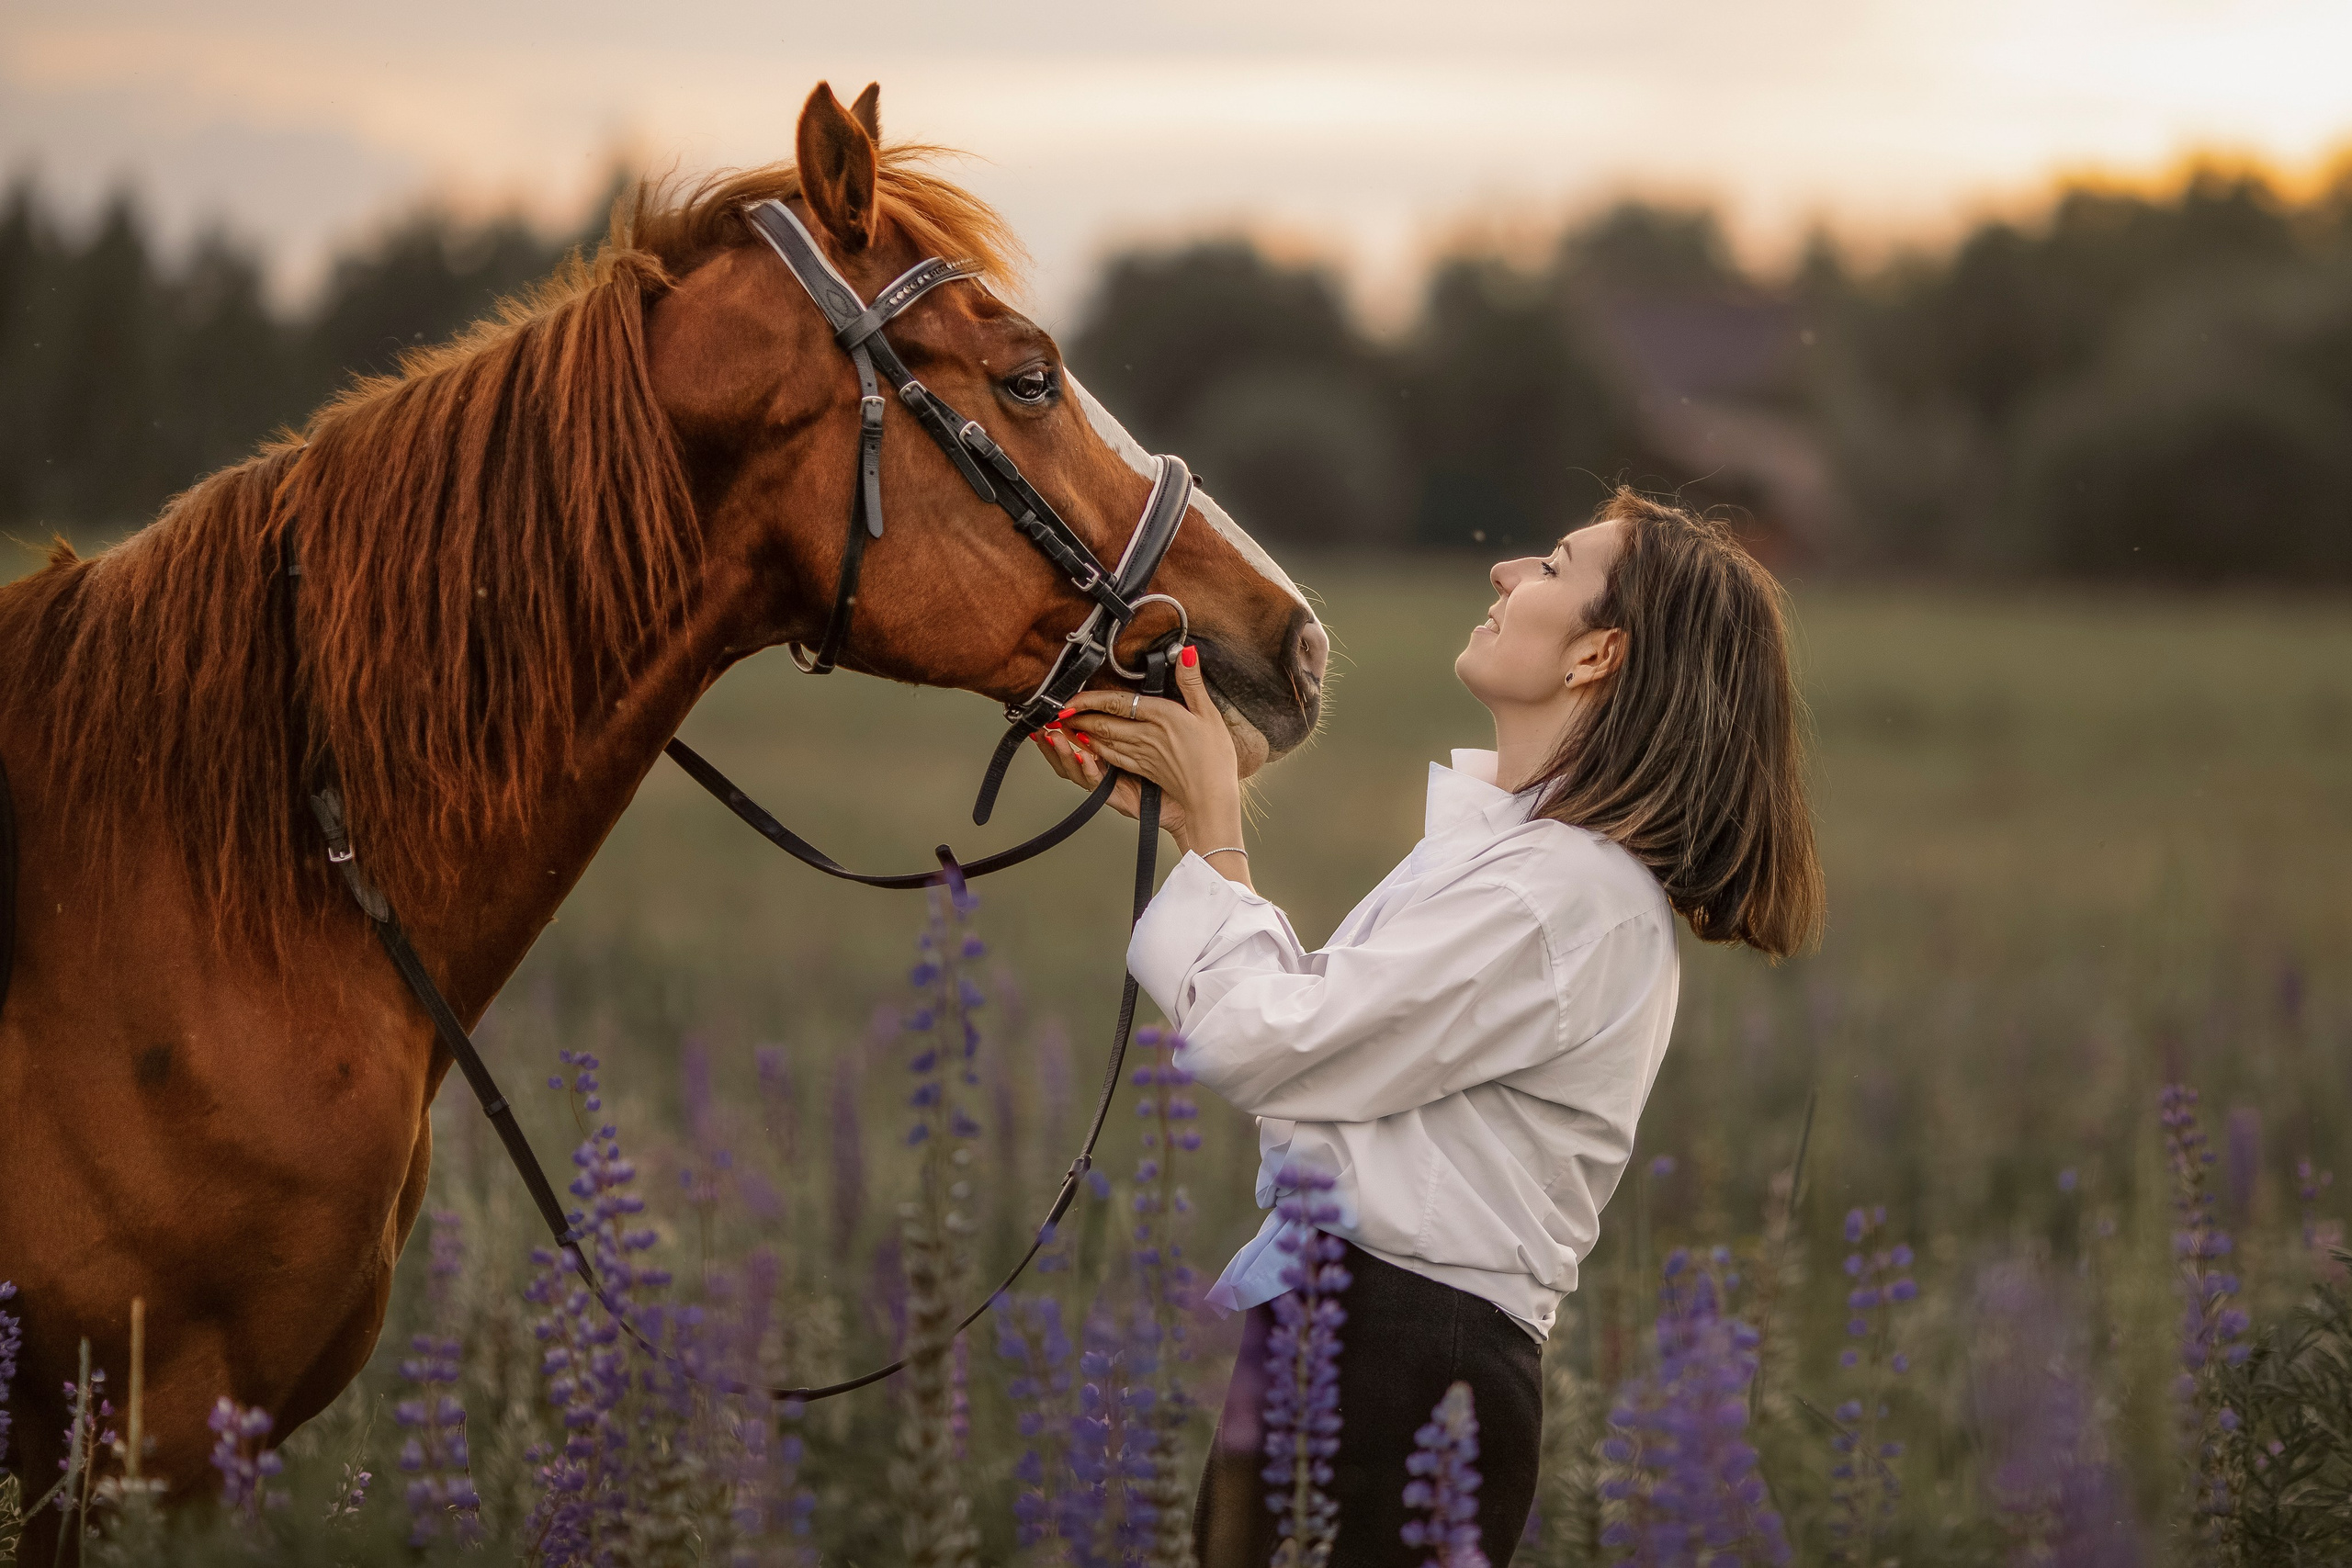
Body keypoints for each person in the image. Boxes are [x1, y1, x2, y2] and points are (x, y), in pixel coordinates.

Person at [1034, 488, 1826, 1565]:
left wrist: (1217, 828)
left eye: (1550, 565)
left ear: (1597, 656)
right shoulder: (1524, 863)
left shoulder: (1562, 891)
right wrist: (1190, 826)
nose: (1505, 573)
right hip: (1353, 1340)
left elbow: (1273, 1046)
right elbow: (1328, 1045)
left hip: (1407, 1365)